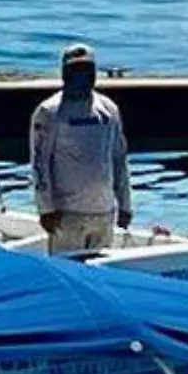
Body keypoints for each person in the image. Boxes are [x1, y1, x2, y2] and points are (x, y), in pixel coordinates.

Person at [30, 44, 132, 255]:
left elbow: (119, 159)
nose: (81, 76)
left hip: (103, 213)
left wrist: (125, 204)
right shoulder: (49, 112)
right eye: (75, 70)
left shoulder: (108, 109)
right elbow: (40, 164)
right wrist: (45, 209)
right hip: (66, 216)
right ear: (65, 74)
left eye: (86, 70)